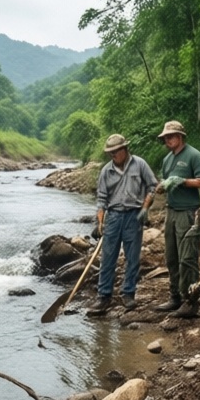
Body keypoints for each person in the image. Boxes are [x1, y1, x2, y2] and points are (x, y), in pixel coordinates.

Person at [88, 132, 157, 317]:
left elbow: (153, 186)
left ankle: (128, 293)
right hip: (114, 216)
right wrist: (100, 221)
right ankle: (104, 296)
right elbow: (101, 199)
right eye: (110, 152)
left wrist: (145, 208)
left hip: (134, 215)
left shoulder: (140, 164)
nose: (113, 155)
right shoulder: (106, 171)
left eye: (116, 151)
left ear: (125, 149)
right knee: (107, 258)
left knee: (132, 257)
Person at [153, 119, 200, 314]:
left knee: (188, 257)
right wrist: (162, 186)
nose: (169, 139)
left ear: (180, 136)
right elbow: (164, 179)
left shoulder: (193, 155)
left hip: (188, 211)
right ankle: (175, 296)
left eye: (172, 136)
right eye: (166, 137)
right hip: (171, 211)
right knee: (171, 256)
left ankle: (191, 300)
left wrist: (182, 181)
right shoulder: (168, 159)